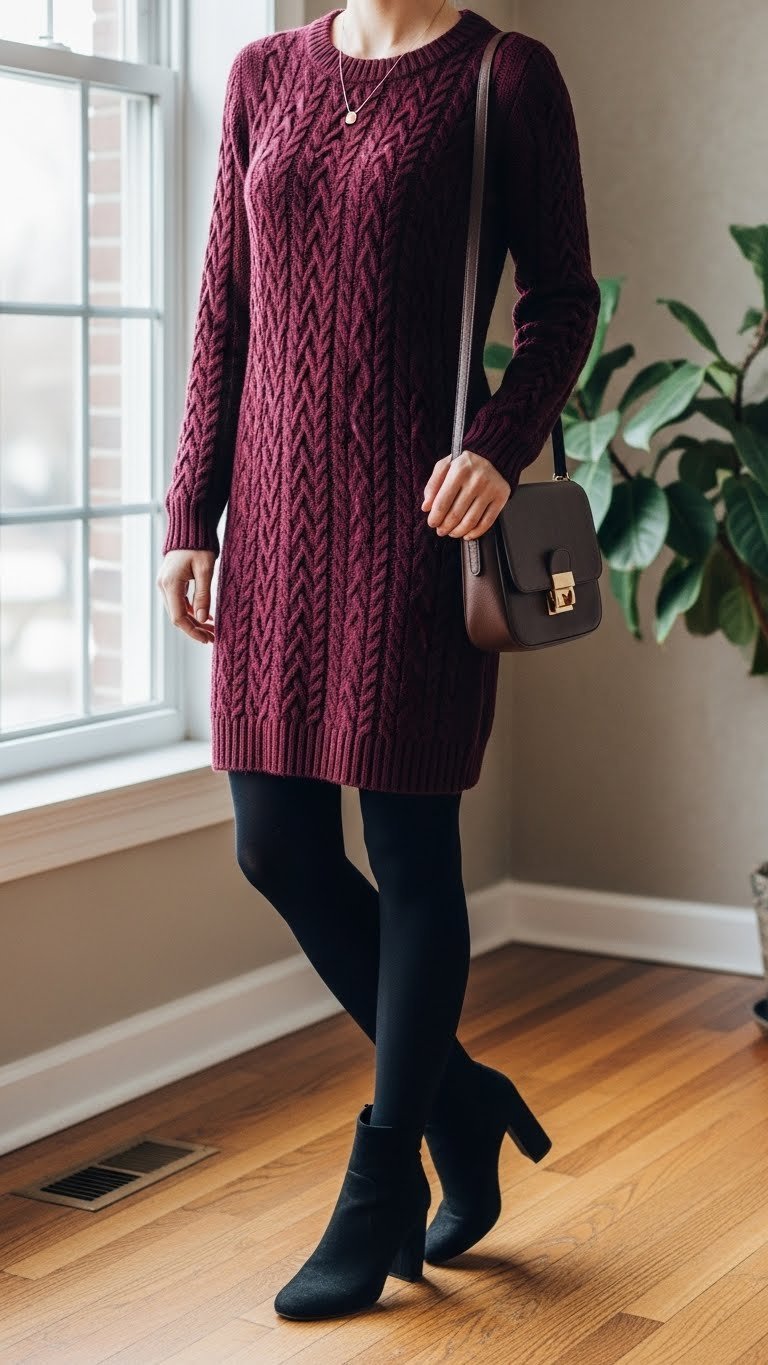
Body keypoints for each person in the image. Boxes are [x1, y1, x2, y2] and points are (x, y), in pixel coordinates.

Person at [158, 0, 600, 1322]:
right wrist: (189, 514)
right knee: (276, 845)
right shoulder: (261, 73)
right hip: (273, 527)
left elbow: (563, 302)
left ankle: (384, 1170)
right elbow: (224, 310)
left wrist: (498, 449)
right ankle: (462, 1105)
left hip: (421, 526)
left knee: (411, 855)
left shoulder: (506, 76)